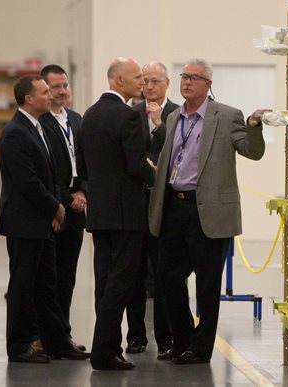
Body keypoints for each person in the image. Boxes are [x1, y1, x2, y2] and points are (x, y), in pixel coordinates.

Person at [148, 58, 268, 364]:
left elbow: (252, 151)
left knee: (207, 283)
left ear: (208, 84)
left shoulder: (227, 116)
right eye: (184, 76)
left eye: (194, 78)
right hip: (175, 206)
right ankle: (183, 338)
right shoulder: (174, 117)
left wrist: (254, 127)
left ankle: (200, 349)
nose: (187, 82)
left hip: (209, 211)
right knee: (168, 276)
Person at [0, 74, 90, 363]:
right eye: (45, 91)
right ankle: (19, 346)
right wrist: (56, 207)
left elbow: (48, 174)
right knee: (23, 286)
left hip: (43, 224)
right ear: (29, 99)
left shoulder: (35, 127)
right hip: (25, 224)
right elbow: (27, 181)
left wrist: (53, 209)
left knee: (47, 285)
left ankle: (57, 342)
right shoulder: (15, 133)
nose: (51, 95)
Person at [76, 57, 155, 371]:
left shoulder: (89, 116)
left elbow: (82, 166)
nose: (142, 83)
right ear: (119, 81)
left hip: (100, 213)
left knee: (104, 280)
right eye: (137, 78)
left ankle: (107, 347)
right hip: (126, 213)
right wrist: (158, 177)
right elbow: (135, 165)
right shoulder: (128, 116)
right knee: (120, 283)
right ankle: (103, 351)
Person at [126, 62, 177, 357]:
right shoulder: (130, 114)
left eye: (155, 81)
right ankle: (136, 336)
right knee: (134, 273)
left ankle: (166, 337)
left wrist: (159, 125)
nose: (149, 87)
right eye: (144, 81)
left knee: (164, 273)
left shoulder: (177, 114)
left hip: (165, 203)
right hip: (135, 203)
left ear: (167, 83)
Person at [38, 64, 87, 352]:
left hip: (77, 209)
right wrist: (66, 199)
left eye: (65, 85)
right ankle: (48, 337)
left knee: (67, 276)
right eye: (55, 87)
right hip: (54, 208)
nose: (62, 91)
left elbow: (87, 162)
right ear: (44, 90)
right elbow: (46, 171)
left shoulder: (77, 121)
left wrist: (83, 191)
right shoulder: (41, 123)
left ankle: (63, 335)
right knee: (49, 278)